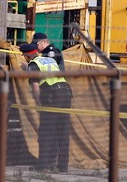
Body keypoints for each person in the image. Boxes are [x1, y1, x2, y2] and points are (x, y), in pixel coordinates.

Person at [19, 43, 73, 173]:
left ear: (27, 56)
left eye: (25, 56)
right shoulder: (48, 59)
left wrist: (37, 103)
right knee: (63, 131)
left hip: (52, 96)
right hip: (65, 93)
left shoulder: (33, 64)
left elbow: (36, 86)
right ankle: (62, 166)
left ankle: (43, 166)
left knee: (46, 132)